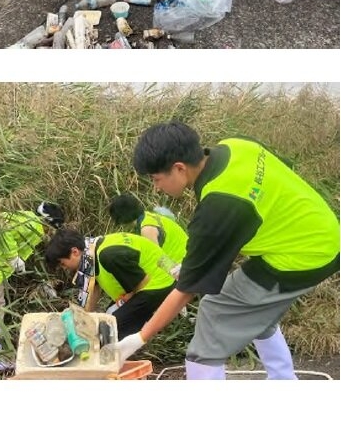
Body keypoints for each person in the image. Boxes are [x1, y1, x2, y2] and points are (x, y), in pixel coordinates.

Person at [113, 121, 339, 380]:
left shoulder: (217, 206)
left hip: (305, 255)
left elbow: (186, 290)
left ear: (179, 168)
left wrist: (139, 338)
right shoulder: (236, 145)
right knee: (250, 309)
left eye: (156, 179)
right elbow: (277, 178)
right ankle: (283, 380)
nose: (156, 188)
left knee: (214, 313)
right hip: (323, 230)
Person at [0, 202, 66, 371]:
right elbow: (2, 227)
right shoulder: (33, 224)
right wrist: (13, 256)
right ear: (49, 223)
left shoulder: (26, 217)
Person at [45, 228, 176, 338]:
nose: (64, 268)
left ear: (75, 252)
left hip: (158, 283)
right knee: (108, 315)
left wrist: (127, 299)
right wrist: (82, 319)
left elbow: (143, 280)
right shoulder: (91, 251)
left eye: (63, 263)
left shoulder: (107, 256)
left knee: (113, 327)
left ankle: (130, 346)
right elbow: (93, 289)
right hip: (145, 283)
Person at [108, 193, 187, 274]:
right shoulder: (149, 216)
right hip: (185, 260)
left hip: (181, 266)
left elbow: (157, 258)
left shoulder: (147, 229)